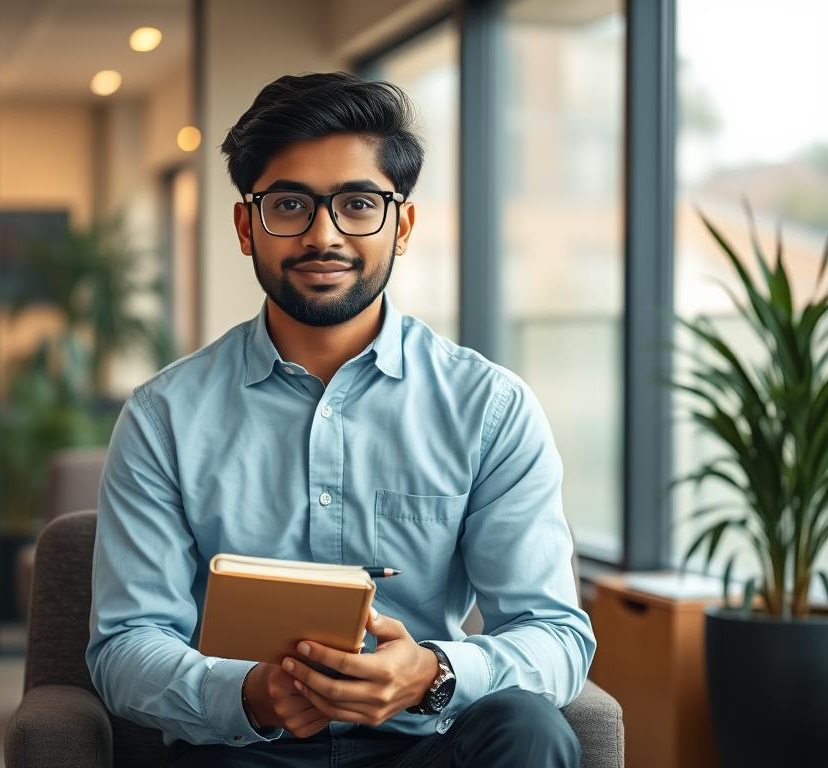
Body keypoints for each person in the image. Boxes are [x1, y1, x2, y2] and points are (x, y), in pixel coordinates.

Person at [87, 72, 595, 767]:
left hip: (424, 745)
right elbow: (125, 643)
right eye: (290, 204)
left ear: (402, 225)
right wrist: (250, 694)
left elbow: (554, 633)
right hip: (244, 750)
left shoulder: (490, 408)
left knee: (531, 732)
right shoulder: (163, 417)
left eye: (359, 204)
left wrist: (434, 674)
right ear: (246, 226)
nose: (323, 235)